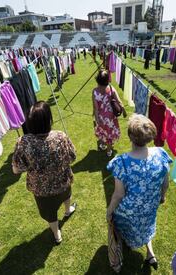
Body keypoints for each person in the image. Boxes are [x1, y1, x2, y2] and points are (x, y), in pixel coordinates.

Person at [106, 114, 173, 270]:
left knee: (120, 222)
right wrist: (162, 197)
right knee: (147, 224)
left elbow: (118, 194)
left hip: (129, 211)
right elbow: (165, 182)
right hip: (150, 205)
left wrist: (109, 211)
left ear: (130, 136)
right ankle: (150, 253)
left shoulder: (121, 162)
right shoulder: (160, 155)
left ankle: (124, 246)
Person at [12, 101, 77, 245]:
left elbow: (16, 168)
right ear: (49, 119)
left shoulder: (23, 142)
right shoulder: (60, 136)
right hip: (63, 181)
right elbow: (73, 156)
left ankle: (56, 234)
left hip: (41, 190)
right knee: (66, 196)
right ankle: (67, 210)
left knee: (50, 213)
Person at [92, 69, 124, 157]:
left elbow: (95, 108)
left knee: (102, 131)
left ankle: (102, 145)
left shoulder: (94, 91)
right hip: (111, 117)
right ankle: (109, 151)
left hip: (101, 117)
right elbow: (119, 101)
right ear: (107, 80)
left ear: (97, 80)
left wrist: (97, 119)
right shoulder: (111, 88)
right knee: (110, 134)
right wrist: (123, 110)